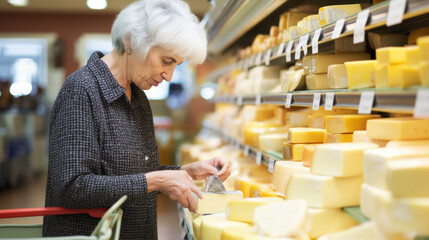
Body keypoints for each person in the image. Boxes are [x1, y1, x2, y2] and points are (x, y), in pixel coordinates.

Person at [43, 0, 231, 239]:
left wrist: (186, 171)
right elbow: (71, 188)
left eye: (176, 65)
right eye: (166, 61)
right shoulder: (82, 90)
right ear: (132, 40)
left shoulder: (138, 97)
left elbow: (136, 174)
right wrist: (157, 179)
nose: (169, 75)